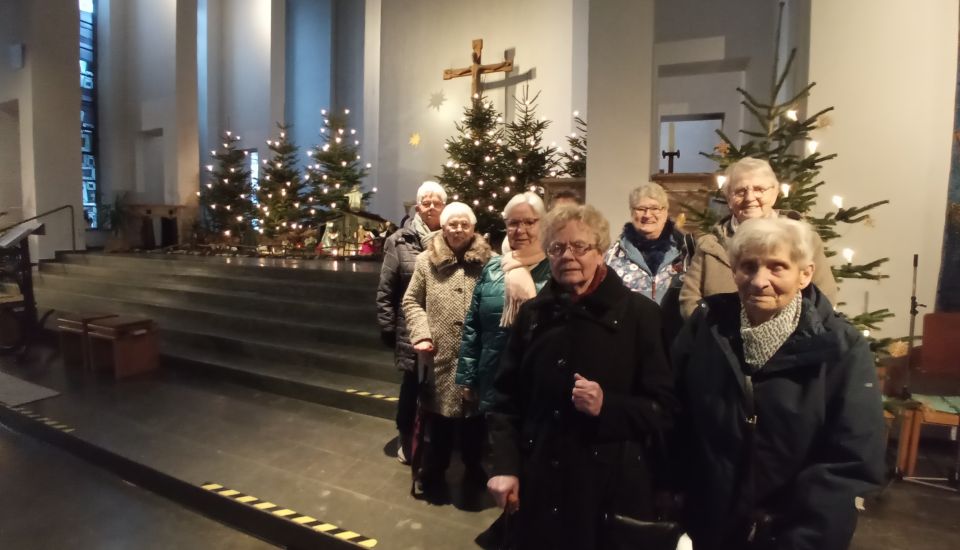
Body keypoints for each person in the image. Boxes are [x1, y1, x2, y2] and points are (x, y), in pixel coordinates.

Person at [671, 217, 885, 550]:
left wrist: (802, 532)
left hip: (798, 531)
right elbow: (676, 413)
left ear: (805, 274)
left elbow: (853, 455)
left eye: (777, 267)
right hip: (712, 523)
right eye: (748, 266)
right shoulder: (706, 327)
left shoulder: (841, 346)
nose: (759, 281)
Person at [485, 205, 676, 550]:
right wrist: (505, 466)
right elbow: (506, 399)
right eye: (557, 248)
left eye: (580, 247)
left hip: (607, 492)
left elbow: (664, 409)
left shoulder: (640, 315)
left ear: (601, 251)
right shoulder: (532, 315)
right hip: (540, 483)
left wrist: (609, 406)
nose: (568, 256)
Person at [402, 201, 493, 494]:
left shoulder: (491, 262)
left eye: (464, 224)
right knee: (438, 419)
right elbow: (411, 300)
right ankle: (435, 469)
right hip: (438, 355)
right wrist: (421, 335)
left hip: (476, 356)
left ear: (473, 228)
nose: (458, 229)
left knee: (474, 420)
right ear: (443, 226)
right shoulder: (426, 261)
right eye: (452, 224)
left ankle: (473, 466)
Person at [679, 157, 838, 319]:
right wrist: (718, 335)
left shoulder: (805, 240)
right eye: (740, 191)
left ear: (775, 193)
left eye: (759, 189)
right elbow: (689, 301)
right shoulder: (709, 245)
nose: (749, 198)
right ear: (729, 198)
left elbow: (824, 298)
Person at [456, 193, 551, 451]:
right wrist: (467, 378)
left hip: (540, 380)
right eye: (513, 223)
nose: (520, 230)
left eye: (529, 222)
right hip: (495, 377)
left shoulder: (555, 268)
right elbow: (473, 325)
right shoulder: (493, 268)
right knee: (501, 455)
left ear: (543, 224)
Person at [376, 180, 446, 464]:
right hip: (411, 328)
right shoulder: (399, 241)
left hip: (444, 326)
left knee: (442, 386)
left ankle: (437, 439)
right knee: (412, 387)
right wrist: (388, 326)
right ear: (418, 207)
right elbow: (386, 288)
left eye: (436, 202)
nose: (431, 207)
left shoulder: (453, 237)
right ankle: (407, 437)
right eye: (426, 202)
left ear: (444, 206)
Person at [605, 182, 694, 342]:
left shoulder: (686, 251)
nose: (647, 215)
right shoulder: (613, 255)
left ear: (665, 211)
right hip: (630, 338)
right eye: (640, 209)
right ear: (632, 213)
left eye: (654, 208)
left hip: (676, 338)